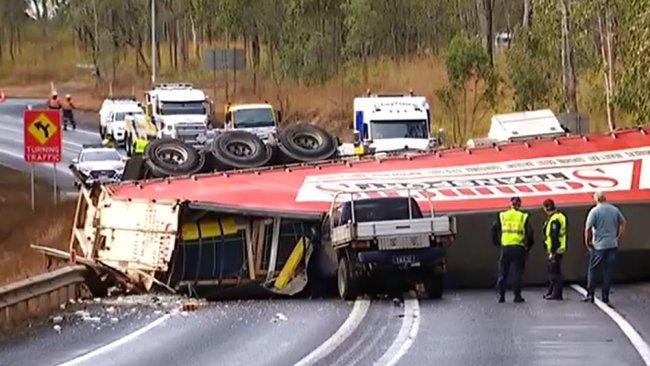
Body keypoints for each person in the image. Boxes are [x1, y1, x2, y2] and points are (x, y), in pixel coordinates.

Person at [583, 191, 626, 304]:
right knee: (608, 271)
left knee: (593, 270)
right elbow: (623, 222)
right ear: (605, 198)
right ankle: (605, 296)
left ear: (596, 199)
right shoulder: (614, 209)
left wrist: (587, 242)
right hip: (612, 244)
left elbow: (588, 228)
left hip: (599, 246)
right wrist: (618, 237)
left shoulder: (594, 211)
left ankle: (590, 294)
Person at [491, 196, 534, 303]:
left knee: (503, 272)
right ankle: (517, 296)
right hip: (518, 247)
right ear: (519, 205)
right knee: (517, 273)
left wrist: (497, 242)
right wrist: (528, 246)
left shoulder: (503, 215)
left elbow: (493, 229)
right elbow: (530, 233)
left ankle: (501, 296)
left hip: (505, 247)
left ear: (510, 204)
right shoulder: (523, 216)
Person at [542, 199, 567, 300]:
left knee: (554, 273)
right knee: (554, 271)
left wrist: (552, 251)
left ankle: (556, 294)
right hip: (559, 248)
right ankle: (551, 291)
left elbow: (554, 236)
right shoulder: (559, 216)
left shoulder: (554, 220)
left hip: (556, 249)